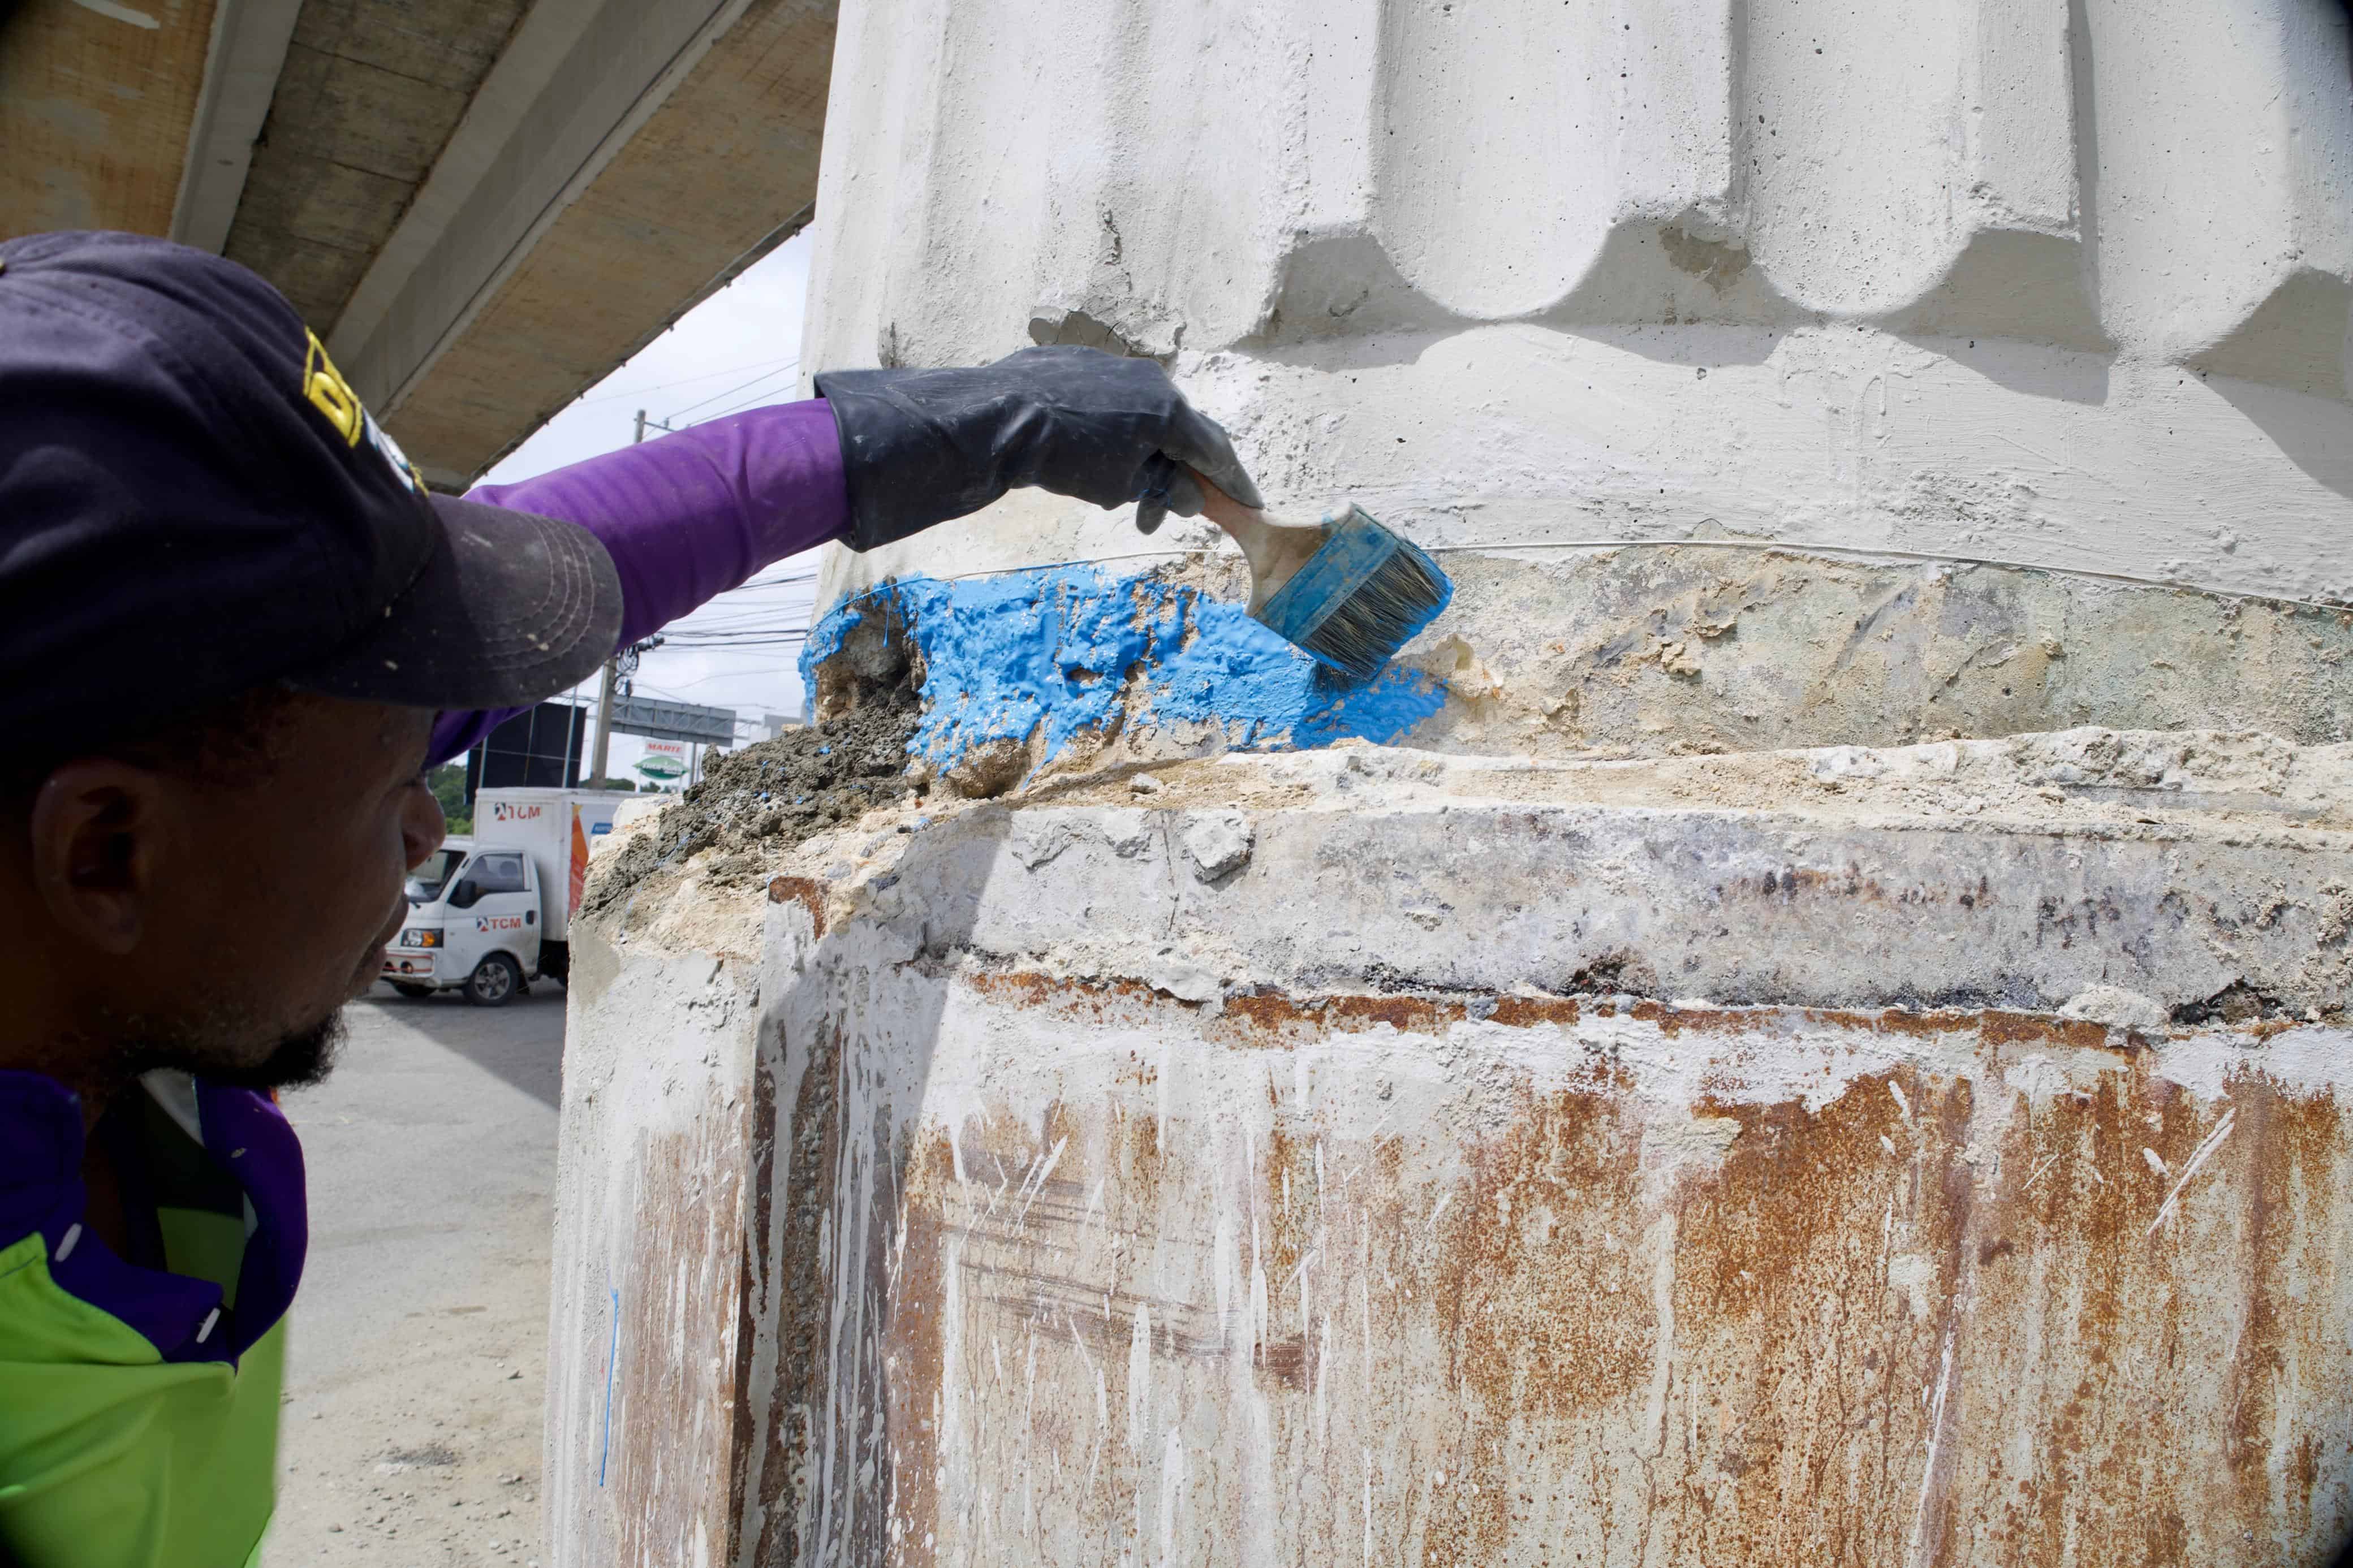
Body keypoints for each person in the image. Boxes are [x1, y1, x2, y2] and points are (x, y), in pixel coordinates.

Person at [0, 230, 1261, 1567]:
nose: (434, 812)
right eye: (395, 787)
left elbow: (591, 548)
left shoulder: (162, 849)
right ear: (104, 856)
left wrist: (931, 435)